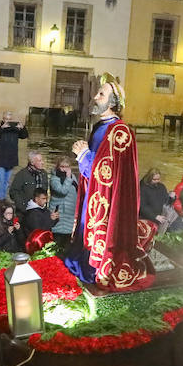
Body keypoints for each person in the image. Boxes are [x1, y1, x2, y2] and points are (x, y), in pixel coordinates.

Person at [65, 74, 155, 291]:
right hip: (94, 194)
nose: (95, 97)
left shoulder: (120, 131)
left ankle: (97, 267)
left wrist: (83, 155)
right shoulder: (100, 127)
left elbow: (108, 174)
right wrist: (85, 154)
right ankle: (84, 260)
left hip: (107, 198)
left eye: (101, 94)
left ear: (113, 103)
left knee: (97, 233)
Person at [0, 112, 29, 201]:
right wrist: (2, 128)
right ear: (3, 119)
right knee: (0, 180)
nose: (8, 121)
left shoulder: (15, 130)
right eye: (6, 119)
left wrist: (22, 127)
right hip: (1, 159)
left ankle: (3, 196)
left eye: (9, 119)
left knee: (7, 181)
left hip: (11, 159)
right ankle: (0, 198)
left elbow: (24, 135)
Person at [49, 158, 78, 248]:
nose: (65, 169)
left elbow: (77, 192)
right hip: (60, 215)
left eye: (67, 167)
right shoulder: (54, 178)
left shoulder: (72, 177)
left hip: (70, 216)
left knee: (68, 244)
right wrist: (68, 178)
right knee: (57, 244)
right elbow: (62, 191)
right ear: (58, 167)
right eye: (62, 166)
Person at [139, 168, 175, 235]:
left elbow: (166, 202)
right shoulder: (142, 188)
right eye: (154, 179)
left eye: (158, 179)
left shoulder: (161, 187)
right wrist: (155, 216)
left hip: (161, 220)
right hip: (147, 222)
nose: (157, 181)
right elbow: (142, 206)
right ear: (149, 178)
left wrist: (171, 197)